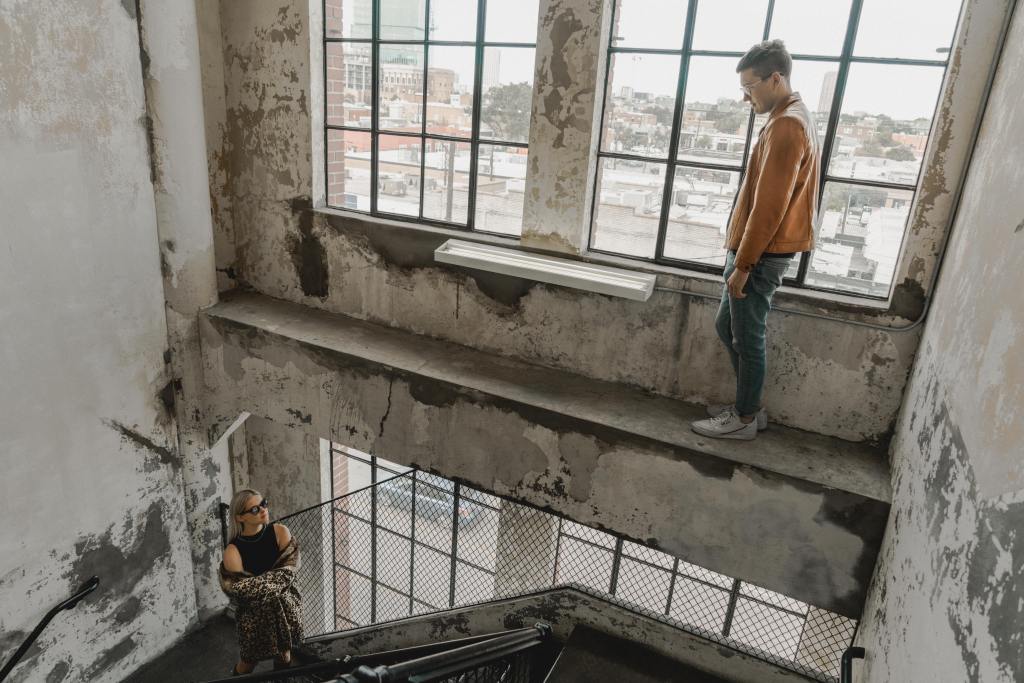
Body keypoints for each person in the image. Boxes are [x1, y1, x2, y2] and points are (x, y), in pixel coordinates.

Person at [692, 39, 820, 441]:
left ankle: (744, 419)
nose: (745, 97)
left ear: (775, 78)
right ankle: (749, 405)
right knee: (727, 325)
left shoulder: (787, 125)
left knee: (747, 337)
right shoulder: (789, 115)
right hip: (758, 250)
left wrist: (744, 265)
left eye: (749, 87)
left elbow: (769, 208)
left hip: (760, 254)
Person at [219, 489, 303, 676]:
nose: (264, 510)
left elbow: (290, 569)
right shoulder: (232, 551)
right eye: (255, 509)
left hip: (285, 610)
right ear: (240, 517)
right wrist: (277, 581)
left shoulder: (280, 531)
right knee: (248, 661)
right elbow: (241, 591)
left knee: (284, 655)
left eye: (263, 504)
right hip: (254, 617)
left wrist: (260, 584)